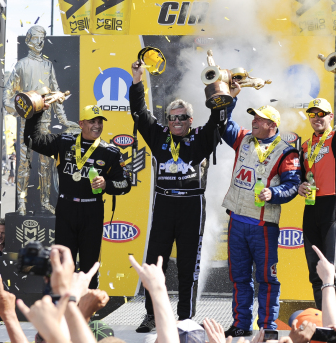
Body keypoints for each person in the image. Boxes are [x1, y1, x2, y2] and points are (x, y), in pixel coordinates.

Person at [129, 60, 227, 332]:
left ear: (190, 120)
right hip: (164, 204)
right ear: (167, 120)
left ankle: (185, 317)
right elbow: (139, 112)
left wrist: (219, 89)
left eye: (182, 117)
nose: (177, 122)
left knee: (188, 266)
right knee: (153, 263)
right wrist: (137, 81)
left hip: (191, 205)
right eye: (172, 117)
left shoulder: (200, 137)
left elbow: (218, 120)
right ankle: (152, 315)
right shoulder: (159, 136)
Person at [220, 86, 301, 336]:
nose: (253, 121)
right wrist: (231, 98)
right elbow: (223, 124)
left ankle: (267, 328)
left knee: (267, 279)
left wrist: (273, 194)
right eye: (253, 117)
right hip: (237, 221)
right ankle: (241, 325)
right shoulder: (244, 138)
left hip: (263, 227)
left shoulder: (286, 151)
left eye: (259, 119)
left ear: (272, 125)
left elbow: (293, 185)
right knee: (239, 278)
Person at [24, 103, 131, 289]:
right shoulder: (64, 142)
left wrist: (107, 184)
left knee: (90, 266)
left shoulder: (110, 152)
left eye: (100, 122)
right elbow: (32, 140)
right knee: (65, 265)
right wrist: (37, 111)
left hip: (92, 211)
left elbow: (126, 184)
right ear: (81, 123)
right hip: (66, 209)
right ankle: (65, 312)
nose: (97, 126)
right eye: (92, 122)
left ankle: (88, 314)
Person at [297, 86, 336, 313]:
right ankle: (326, 322)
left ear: (330, 116)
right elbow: (298, 177)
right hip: (311, 208)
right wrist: (300, 185)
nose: (316, 118)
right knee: (316, 274)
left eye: (321, 114)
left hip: (334, 207)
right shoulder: (305, 146)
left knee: (333, 273)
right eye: (312, 114)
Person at [3, 25, 80, 215]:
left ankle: (45, 201)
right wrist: (21, 108)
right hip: (25, 124)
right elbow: (7, 95)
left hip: (45, 124)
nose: (40, 42)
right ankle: (22, 203)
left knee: (46, 164)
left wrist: (62, 119)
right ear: (28, 40)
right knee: (24, 164)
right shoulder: (21, 65)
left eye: (42, 38)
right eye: (36, 38)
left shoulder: (47, 65)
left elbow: (56, 94)